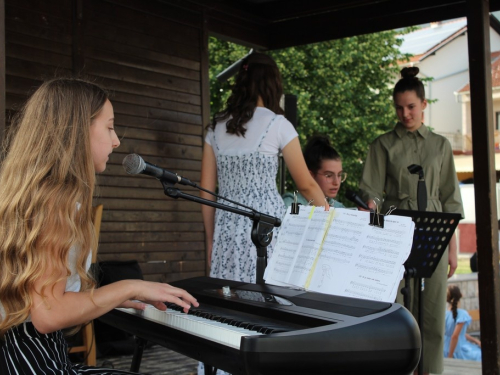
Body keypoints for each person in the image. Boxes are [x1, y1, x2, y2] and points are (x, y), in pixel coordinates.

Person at [0, 78, 199, 374]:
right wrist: (129, 285)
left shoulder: (25, 194)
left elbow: (36, 302)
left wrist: (113, 298)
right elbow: (48, 315)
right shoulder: (55, 204)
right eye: (109, 127)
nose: (116, 140)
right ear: (77, 131)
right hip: (32, 361)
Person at [358, 67, 464, 375]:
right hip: (395, 231)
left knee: (432, 314)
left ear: (424, 104)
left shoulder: (441, 146)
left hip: (434, 233)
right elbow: (373, 194)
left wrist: (452, 248)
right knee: (397, 311)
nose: (405, 113)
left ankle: (430, 371)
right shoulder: (382, 144)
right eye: (399, 108)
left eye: (411, 106)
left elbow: (449, 199)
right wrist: (372, 213)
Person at [200, 52, 328, 284]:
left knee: (230, 301)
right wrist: (330, 218)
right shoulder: (278, 124)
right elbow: (307, 185)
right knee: (267, 299)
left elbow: (206, 192)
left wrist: (212, 241)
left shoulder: (215, 128)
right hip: (266, 227)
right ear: (273, 84)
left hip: (226, 227)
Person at [282, 135, 346, 209]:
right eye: (328, 175)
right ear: (310, 175)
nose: (336, 182)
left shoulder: (339, 208)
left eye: (339, 175)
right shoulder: (290, 205)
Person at [444, 285, 481, 361]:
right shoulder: (462, 314)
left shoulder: (444, 313)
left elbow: (458, 333)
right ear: (461, 295)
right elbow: (455, 336)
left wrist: (476, 341)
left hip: (444, 348)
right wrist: (450, 356)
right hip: (457, 349)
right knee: (480, 355)